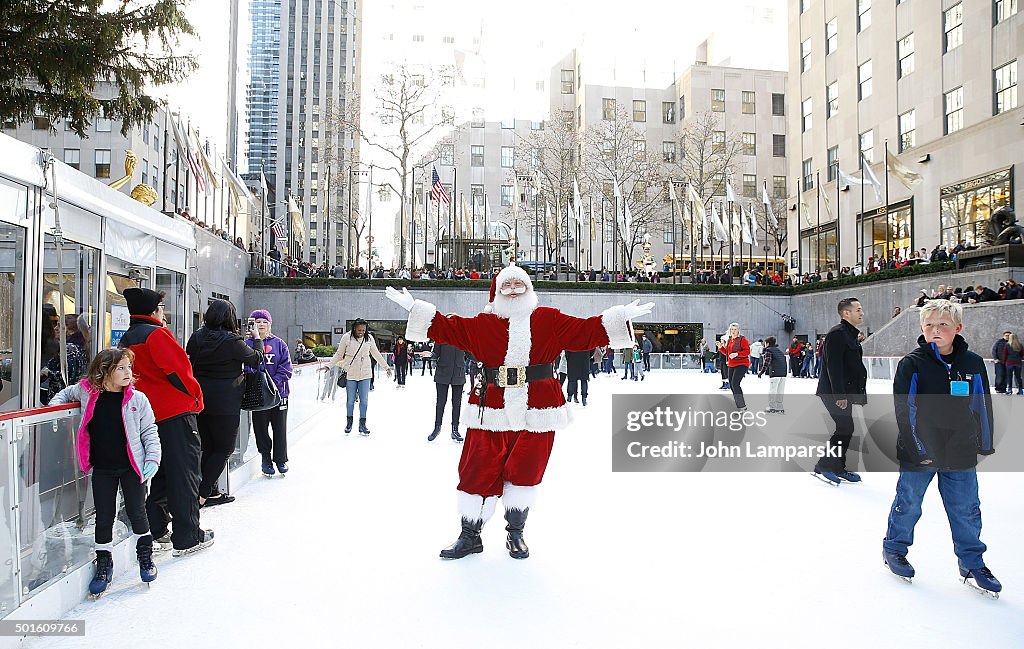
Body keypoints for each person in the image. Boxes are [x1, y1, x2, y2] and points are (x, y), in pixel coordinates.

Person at [385, 264, 651, 560]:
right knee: (476, 468)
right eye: (506, 285)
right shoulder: (483, 324)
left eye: (518, 284)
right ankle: (470, 535)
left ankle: (515, 534)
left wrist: (619, 317)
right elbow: (449, 328)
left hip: (537, 409)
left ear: (529, 288)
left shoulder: (549, 320)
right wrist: (415, 308)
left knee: (526, 470)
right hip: (491, 408)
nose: (513, 289)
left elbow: (585, 331)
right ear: (496, 291)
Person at [883, 300, 1000, 595]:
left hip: (959, 450)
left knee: (967, 509)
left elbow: (981, 404)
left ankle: (972, 562)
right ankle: (894, 549)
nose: (935, 330)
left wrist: (984, 443)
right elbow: (904, 410)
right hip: (920, 450)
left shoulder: (972, 363)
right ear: (922, 328)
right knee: (908, 503)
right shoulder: (913, 363)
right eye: (929, 325)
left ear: (958, 328)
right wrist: (916, 448)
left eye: (943, 325)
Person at [49, 348, 161, 596]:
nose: (127, 373)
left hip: (132, 467)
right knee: (104, 516)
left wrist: (152, 458)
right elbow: (65, 393)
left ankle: (145, 556)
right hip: (103, 468)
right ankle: (104, 563)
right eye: (120, 368)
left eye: (129, 367)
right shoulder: (88, 392)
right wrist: (54, 410)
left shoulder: (138, 399)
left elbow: (149, 431)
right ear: (103, 372)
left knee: (137, 511)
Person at [118, 288, 210, 556]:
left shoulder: (127, 338)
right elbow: (179, 372)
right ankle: (188, 535)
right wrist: (196, 399)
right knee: (185, 474)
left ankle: (157, 528)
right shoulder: (156, 334)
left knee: (158, 473)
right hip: (175, 413)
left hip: (147, 416)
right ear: (154, 310)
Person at [186, 300, 264, 506]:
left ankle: (210, 491)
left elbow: (189, 359)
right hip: (226, 401)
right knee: (224, 449)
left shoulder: (197, 337)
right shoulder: (232, 341)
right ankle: (202, 495)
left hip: (200, 399)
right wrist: (256, 339)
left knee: (209, 447)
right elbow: (256, 359)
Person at [813, 298, 868, 485]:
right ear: (846, 313)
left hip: (846, 391)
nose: (862, 313)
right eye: (858, 309)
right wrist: (839, 394)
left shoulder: (850, 334)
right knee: (845, 428)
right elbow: (833, 366)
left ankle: (837, 466)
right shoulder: (837, 334)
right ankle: (825, 465)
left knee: (846, 428)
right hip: (834, 392)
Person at [244, 310, 293, 476]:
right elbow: (246, 367)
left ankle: (280, 459)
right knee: (260, 429)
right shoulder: (247, 344)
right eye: (258, 322)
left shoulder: (280, 344)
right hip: (258, 395)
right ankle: (265, 457)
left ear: (270, 324)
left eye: (264, 322)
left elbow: (286, 368)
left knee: (280, 427)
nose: (261, 325)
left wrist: (273, 384)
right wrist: (259, 381)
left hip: (280, 394)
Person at [328, 318, 391, 435]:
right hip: (351, 373)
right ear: (354, 328)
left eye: (363, 330)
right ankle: (349, 422)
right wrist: (328, 366)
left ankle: (362, 424)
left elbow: (376, 353)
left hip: (365, 373)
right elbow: (338, 354)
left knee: (364, 401)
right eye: (359, 330)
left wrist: (386, 367)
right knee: (350, 400)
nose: (361, 332)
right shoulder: (346, 337)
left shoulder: (369, 338)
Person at [429, 341, 466, 442]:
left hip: (458, 373)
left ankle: (455, 429)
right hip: (442, 373)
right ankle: (437, 427)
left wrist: (482, 358)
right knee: (440, 403)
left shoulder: (464, 337)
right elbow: (436, 353)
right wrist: (431, 354)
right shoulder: (441, 337)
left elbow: (470, 353)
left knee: (457, 404)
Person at [723, 323, 750, 410]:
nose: (733, 331)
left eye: (735, 329)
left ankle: (742, 406)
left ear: (738, 330)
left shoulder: (742, 339)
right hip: (731, 364)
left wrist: (737, 354)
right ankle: (739, 405)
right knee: (731, 384)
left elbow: (747, 351)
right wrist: (720, 348)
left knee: (735, 384)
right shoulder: (730, 340)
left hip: (741, 364)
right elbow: (728, 353)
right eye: (732, 329)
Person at [759, 336, 787, 414]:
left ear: (767, 343)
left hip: (775, 373)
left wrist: (761, 372)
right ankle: (780, 407)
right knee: (780, 391)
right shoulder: (779, 351)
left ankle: (772, 407)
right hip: (783, 373)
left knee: (773, 391)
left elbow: (767, 362)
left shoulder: (769, 351)